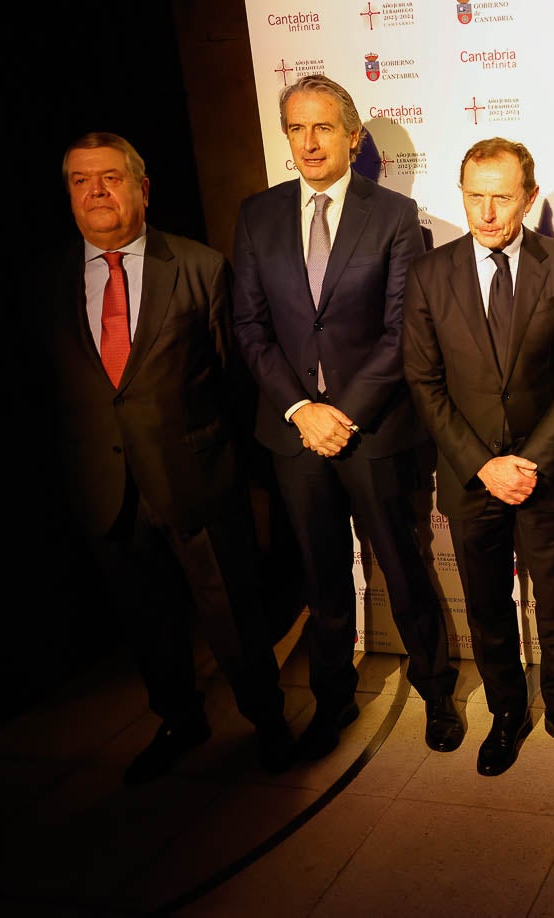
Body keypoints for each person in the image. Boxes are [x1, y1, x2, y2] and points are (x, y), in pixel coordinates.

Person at [47, 132, 291, 783]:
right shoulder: (45, 284)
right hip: (105, 487)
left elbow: (236, 381)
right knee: (145, 619)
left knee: (234, 616)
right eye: (80, 180)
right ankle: (180, 720)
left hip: (198, 479)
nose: (97, 191)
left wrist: (247, 479)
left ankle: (267, 720)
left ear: (142, 188)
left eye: (111, 177)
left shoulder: (202, 267)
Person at [232, 74, 462, 761]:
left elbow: (402, 334)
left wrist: (343, 414)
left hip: (377, 432)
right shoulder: (257, 215)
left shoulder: (392, 214)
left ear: (353, 137)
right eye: (296, 128)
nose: (308, 142)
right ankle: (331, 702)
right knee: (321, 577)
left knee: (404, 568)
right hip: (293, 434)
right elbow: (248, 326)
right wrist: (303, 410)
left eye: (323, 127)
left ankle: (437, 692)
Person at [403, 138, 554, 777]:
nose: (486, 212)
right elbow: (424, 383)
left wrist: (530, 462)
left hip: (547, 476)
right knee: (487, 607)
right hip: (469, 480)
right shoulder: (430, 274)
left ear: (529, 197)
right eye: (474, 195)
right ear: (460, 194)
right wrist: (483, 465)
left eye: (502, 196)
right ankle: (508, 714)